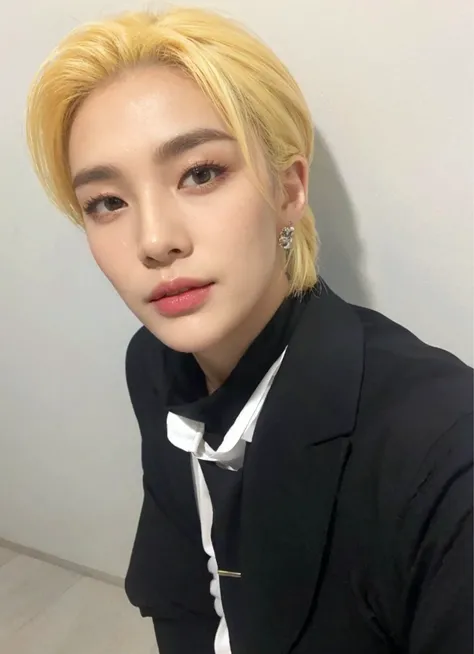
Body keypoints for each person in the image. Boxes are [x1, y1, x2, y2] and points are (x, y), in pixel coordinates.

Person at [25, 7, 472, 654]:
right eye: (107, 202)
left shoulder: (443, 454)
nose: (155, 240)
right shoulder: (152, 364)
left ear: (289, 190)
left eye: (200, 173)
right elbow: (180, 587)